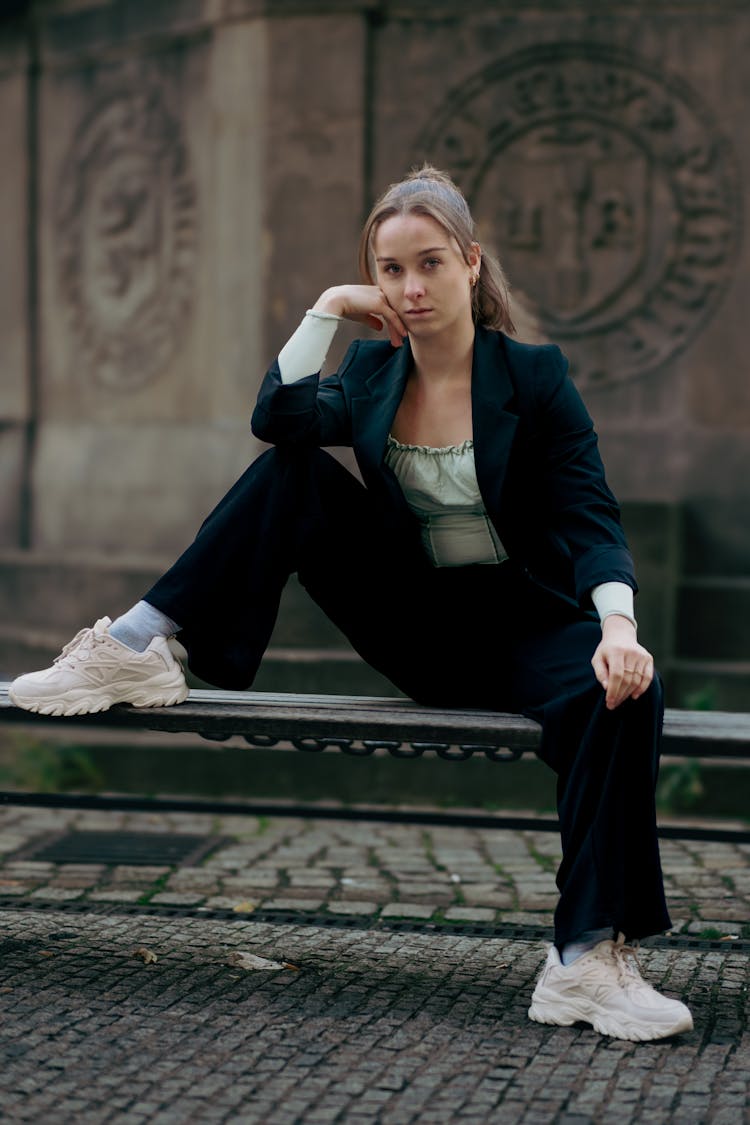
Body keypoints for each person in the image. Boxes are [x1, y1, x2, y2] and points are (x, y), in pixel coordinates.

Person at [10, 165, 693, 1042]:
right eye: (391, 268)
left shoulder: (533, 378)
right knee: (292, 472)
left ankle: (585, 959)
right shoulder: (371, 376)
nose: (411, 288)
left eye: (432, 264)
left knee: (627, 691)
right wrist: (329, 307)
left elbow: (591, 516)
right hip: (413, 623)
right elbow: (275, 417)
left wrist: (618, 627)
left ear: (472, 264)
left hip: (527, 627)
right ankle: (141, 643)